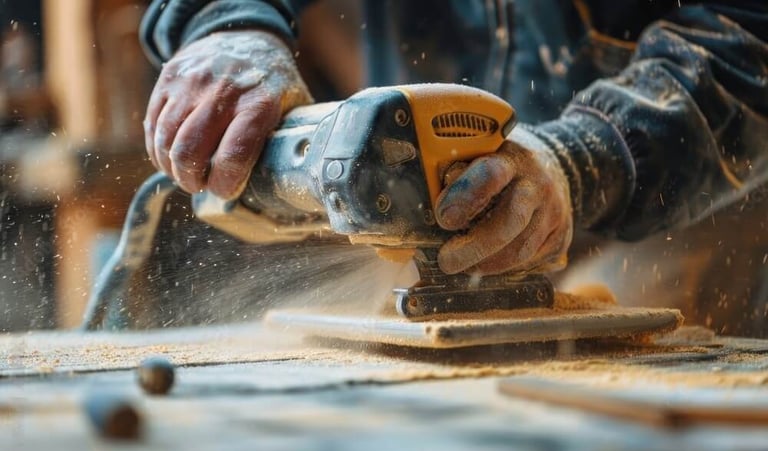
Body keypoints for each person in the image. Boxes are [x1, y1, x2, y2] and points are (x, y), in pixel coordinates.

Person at [139, 0, 768, 332]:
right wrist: (229, 19)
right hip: (419, 234)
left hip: (676, 208)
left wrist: (580, 162)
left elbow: (751, 34)